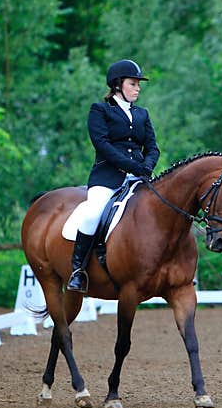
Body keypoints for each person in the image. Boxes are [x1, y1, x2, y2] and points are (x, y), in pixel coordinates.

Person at [66, 59, 160, 293]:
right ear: (118, 85)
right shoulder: (100, 110)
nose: (138, 88)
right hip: (107, 177)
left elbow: (153, 147)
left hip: (139, 178)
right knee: (92, 213)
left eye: (138, 84)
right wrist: (130, 165)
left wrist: (146, 166)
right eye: (133, 83)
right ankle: (78, 271)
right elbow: (102, 145)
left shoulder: (142, 114)